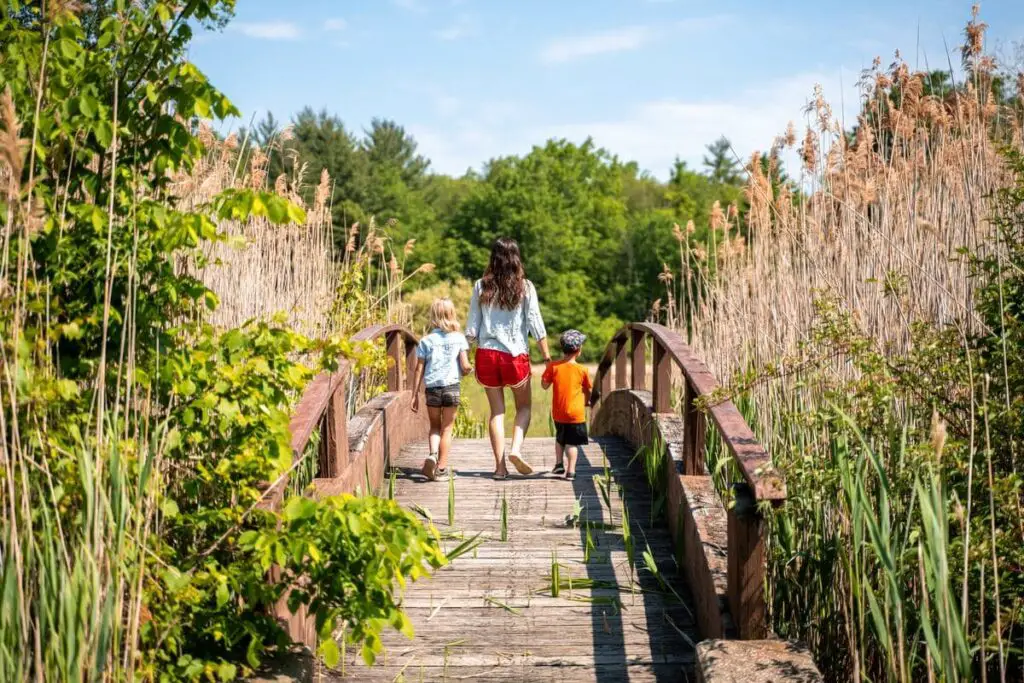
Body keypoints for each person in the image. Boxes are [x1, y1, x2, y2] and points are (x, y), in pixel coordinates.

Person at [466, 237, 552, 479]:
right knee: (524, 407)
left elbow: (472, 327)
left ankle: (500, 468)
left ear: (493, 257)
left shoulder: (480, 286)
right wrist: (547, 358)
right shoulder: (526, 287)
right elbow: (536, 324)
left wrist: (463, 355)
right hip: (515, 356)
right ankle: (515, 449)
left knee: (497, 412)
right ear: (516, 258)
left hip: (486, 354)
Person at [412, 298, 473, 481]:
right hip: (451, 387)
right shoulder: (459, 338)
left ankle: (432, 454)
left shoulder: (426, 341)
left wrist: (414, 394)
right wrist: (469, 369)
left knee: (435, 427)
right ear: (451, 315)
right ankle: (441, 470)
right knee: (447, 428)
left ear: (434, 316)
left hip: (432, 388)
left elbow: (418, 369)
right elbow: (465, 365)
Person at [541, 330, 592, 481]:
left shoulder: (554, 367)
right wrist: (587, 401)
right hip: (576, 414)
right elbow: (588, 389)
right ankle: (571, 471)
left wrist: (547, 368)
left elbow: (544, 385)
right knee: (572, 443)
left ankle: (558, 464)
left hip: (558, 413)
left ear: (562, 349)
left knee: (560, 438)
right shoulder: (583, 370)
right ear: (579, 350)